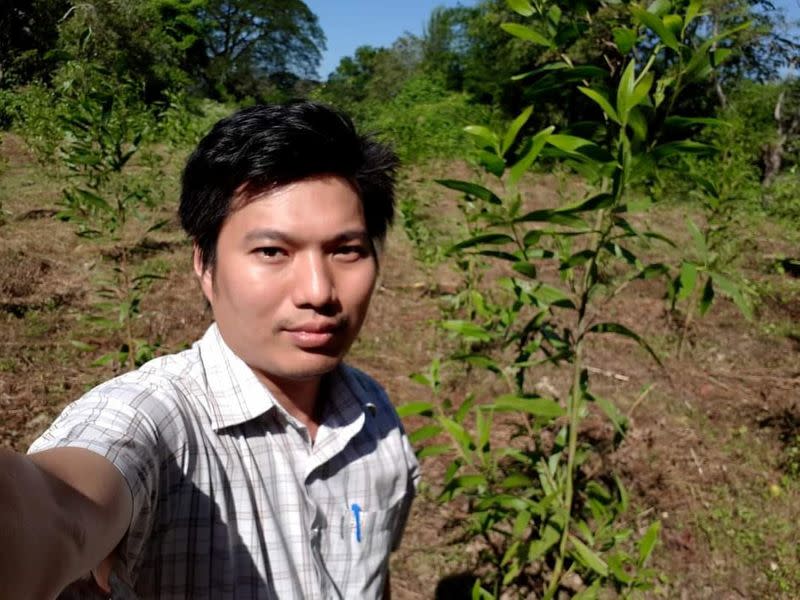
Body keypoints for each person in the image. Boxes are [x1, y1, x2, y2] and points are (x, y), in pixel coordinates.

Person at [0, 101, 419, 600]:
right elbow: (61, 510)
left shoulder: (374, 414)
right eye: (272, 252)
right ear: (204, 263)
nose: (319, 291)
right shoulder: (157, 420)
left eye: (346, 250)